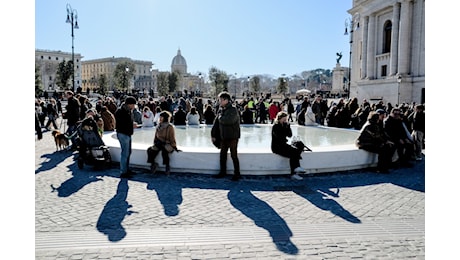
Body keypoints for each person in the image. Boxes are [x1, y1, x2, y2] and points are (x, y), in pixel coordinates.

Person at [211, 91, 241, 181]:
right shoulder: (221, 109)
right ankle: (222, 172)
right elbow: (216, 123)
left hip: (232, 136)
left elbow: (228, 121)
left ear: (226, 100)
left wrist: (220, 117)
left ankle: (237, 173)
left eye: (220, 99)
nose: (219, 101)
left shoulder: (233, 109)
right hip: (223, 136)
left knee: (234, 155)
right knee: (222, 155)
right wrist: (213, 134)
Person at [271, 111, 306, 180]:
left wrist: (288, 127)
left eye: (286, 119)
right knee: (293, 153)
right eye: (284, 119)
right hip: (277, 147)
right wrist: (285, 128)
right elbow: (279, 137)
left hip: (283, 145)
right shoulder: (276, 126)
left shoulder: (284, 125)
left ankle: (295, 170)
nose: (285, 120)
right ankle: (294, 171)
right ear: (279, 118)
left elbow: (289, 135)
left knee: (296, 150)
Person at [115, 96, 139, 178]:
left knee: (128, 152)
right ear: (129, 104)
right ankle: (123, 171)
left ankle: (126, 169)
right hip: (123, 133)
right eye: (133, 104)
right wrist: (132, 125)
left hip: (127, 133)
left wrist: (132, 124)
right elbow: (122, 123)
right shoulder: (121, 111)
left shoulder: (128, 111)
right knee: (125, 153)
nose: (134, 106)